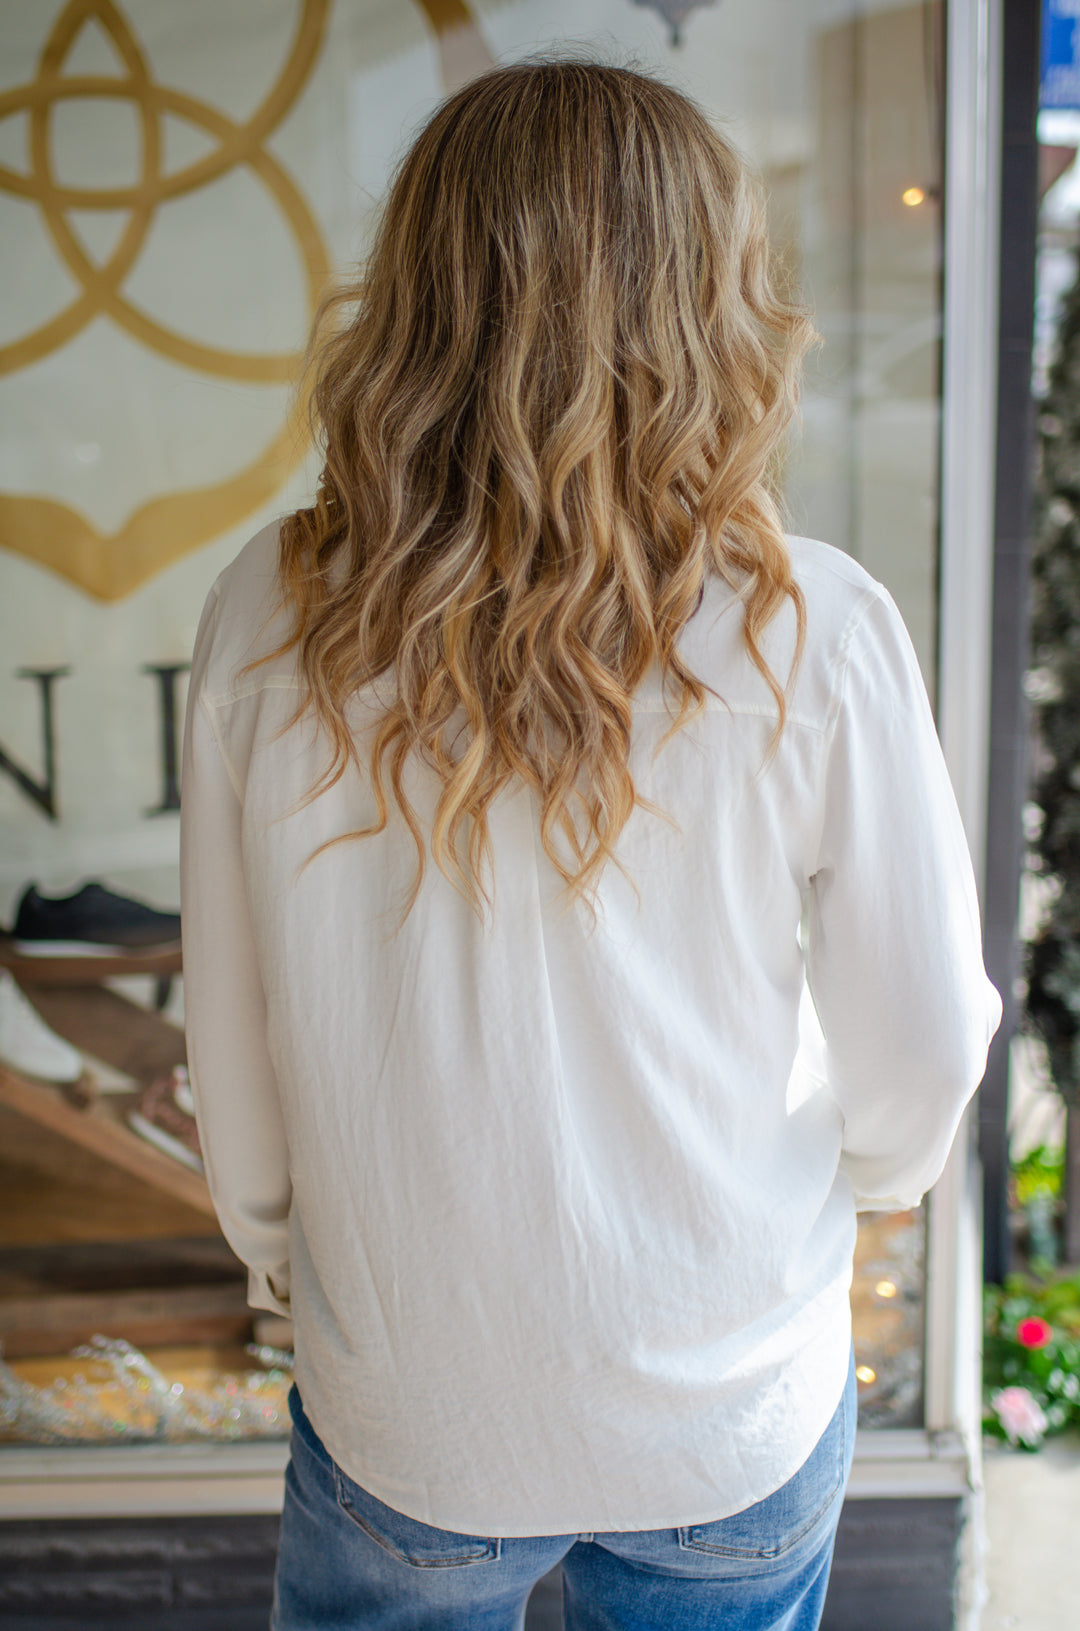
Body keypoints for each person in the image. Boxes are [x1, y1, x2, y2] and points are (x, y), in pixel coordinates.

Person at [180, 60, 1001, 1631]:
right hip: (725, 1389)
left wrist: (290, 1263)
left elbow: (236, 1038)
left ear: (418, 295)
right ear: (712, 301)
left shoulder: (272, 608)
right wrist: (864, 1183)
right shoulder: (810, 628)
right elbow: (920, 1048)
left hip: (407, 1391)